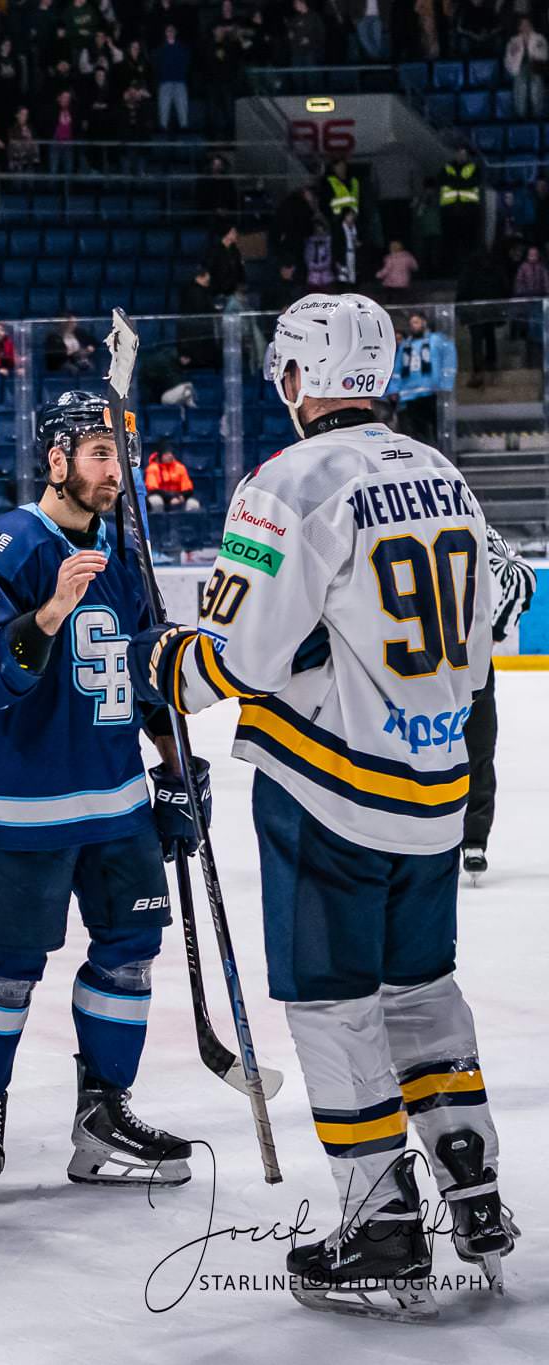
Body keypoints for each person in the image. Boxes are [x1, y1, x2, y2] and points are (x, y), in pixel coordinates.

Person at [128, 293, 517, 1317]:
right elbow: (496, 609)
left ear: (297, 376)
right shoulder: (439, 472)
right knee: (420, 990)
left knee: (332, 1004)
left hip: (330, 790)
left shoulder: (287, 482)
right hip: (436, 785)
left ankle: (381, 1224)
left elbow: (232, 657)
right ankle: (470, 1182)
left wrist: (158, 662)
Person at [0, 389, 197, 1200]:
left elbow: (143, 669)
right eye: (99, 454)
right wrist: (52, 609)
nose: (116, 471)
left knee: (131, 952)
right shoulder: (4, 543)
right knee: (7, 967)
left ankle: (103, 1113)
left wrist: (175, 766)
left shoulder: (127, 550)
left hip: (117, 796)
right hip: (28, 801)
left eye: (122, 455)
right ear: (56, 460)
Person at [461, 528, 534, 884]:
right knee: (475, 751)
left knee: (472, 751)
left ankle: (469, 839)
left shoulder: (477, 527)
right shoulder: (476, 525)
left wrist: (495, 633)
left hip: (423, 661)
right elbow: (520, 575)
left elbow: (519, 574)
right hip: (462, 660)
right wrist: (495, 633)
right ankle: (469, 840)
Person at [142, 443, 200, 511]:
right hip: (161, 497)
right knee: (156, 501)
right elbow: (152, 490)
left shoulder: (180, 467)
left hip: (178, 497)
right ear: (160, 456)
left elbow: (188, 489)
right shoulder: (152, 468)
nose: (170, 455)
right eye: (166, 454)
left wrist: (182, 496)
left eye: (171, 453)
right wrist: (170, 497)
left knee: (193, 504)